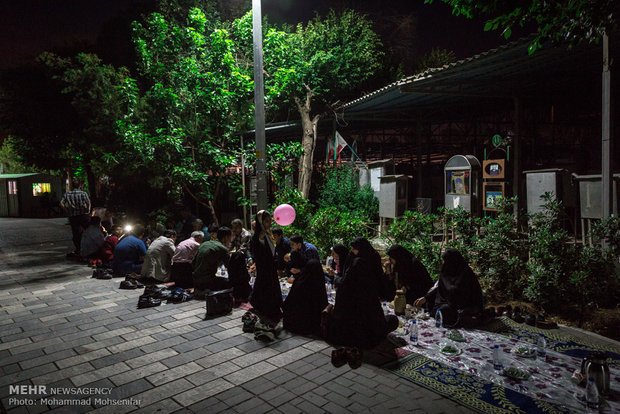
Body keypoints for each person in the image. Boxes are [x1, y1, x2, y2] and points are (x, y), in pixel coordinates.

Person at [327, 237, 398, 351]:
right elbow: (381, 284)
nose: (352, 251)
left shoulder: (355, 264)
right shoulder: (370, 260)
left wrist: (335, 278)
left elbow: (345, 281)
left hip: (347, 329)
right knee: (392, 320)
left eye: (354, 249)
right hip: (369, 326)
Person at [414, 249, 484, 328]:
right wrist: (425, 298)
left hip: (462, 308)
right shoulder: (446, 272)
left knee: (444, 311)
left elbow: (468, 298)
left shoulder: (466, 274)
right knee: (435, 308)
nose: (444, 263)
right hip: (447, 304)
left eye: (445, 261)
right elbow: (439, 288)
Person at [249, 210, 282, 324]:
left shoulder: (269, 233)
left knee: (271, 285)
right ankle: (265, 307)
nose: (269, 223)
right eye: (266, 221)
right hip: (264, 266)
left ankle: (272, 306)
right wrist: (260, 240)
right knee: (265, 285)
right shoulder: (258, 236)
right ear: (261, 222)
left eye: (270, 221)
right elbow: (257, 252)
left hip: (271, 265)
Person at [282, 259, 328, 335]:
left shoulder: (300, 281)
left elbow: (288, 302)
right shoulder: (319, 283)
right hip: (312, 326)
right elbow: (323, 303)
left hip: (294, 323)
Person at [192, 227, 233, 298]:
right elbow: (230, 268)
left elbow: (193, 262)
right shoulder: (222, 249)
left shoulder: (205, 244)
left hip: (195, 278)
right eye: (230, 238)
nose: (231, 241)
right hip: (206, 281)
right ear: (226, 238)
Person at [60, 178, 91, 257]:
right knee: (88, 230)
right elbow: (88, 203)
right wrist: (88, 210)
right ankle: (89, 246)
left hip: (73, 216)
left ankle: (78, 248)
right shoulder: (83, 193)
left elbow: (61, 203)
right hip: (83, 214)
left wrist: (67, 210)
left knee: (76, 233)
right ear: (80, 185)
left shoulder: (68, 194)